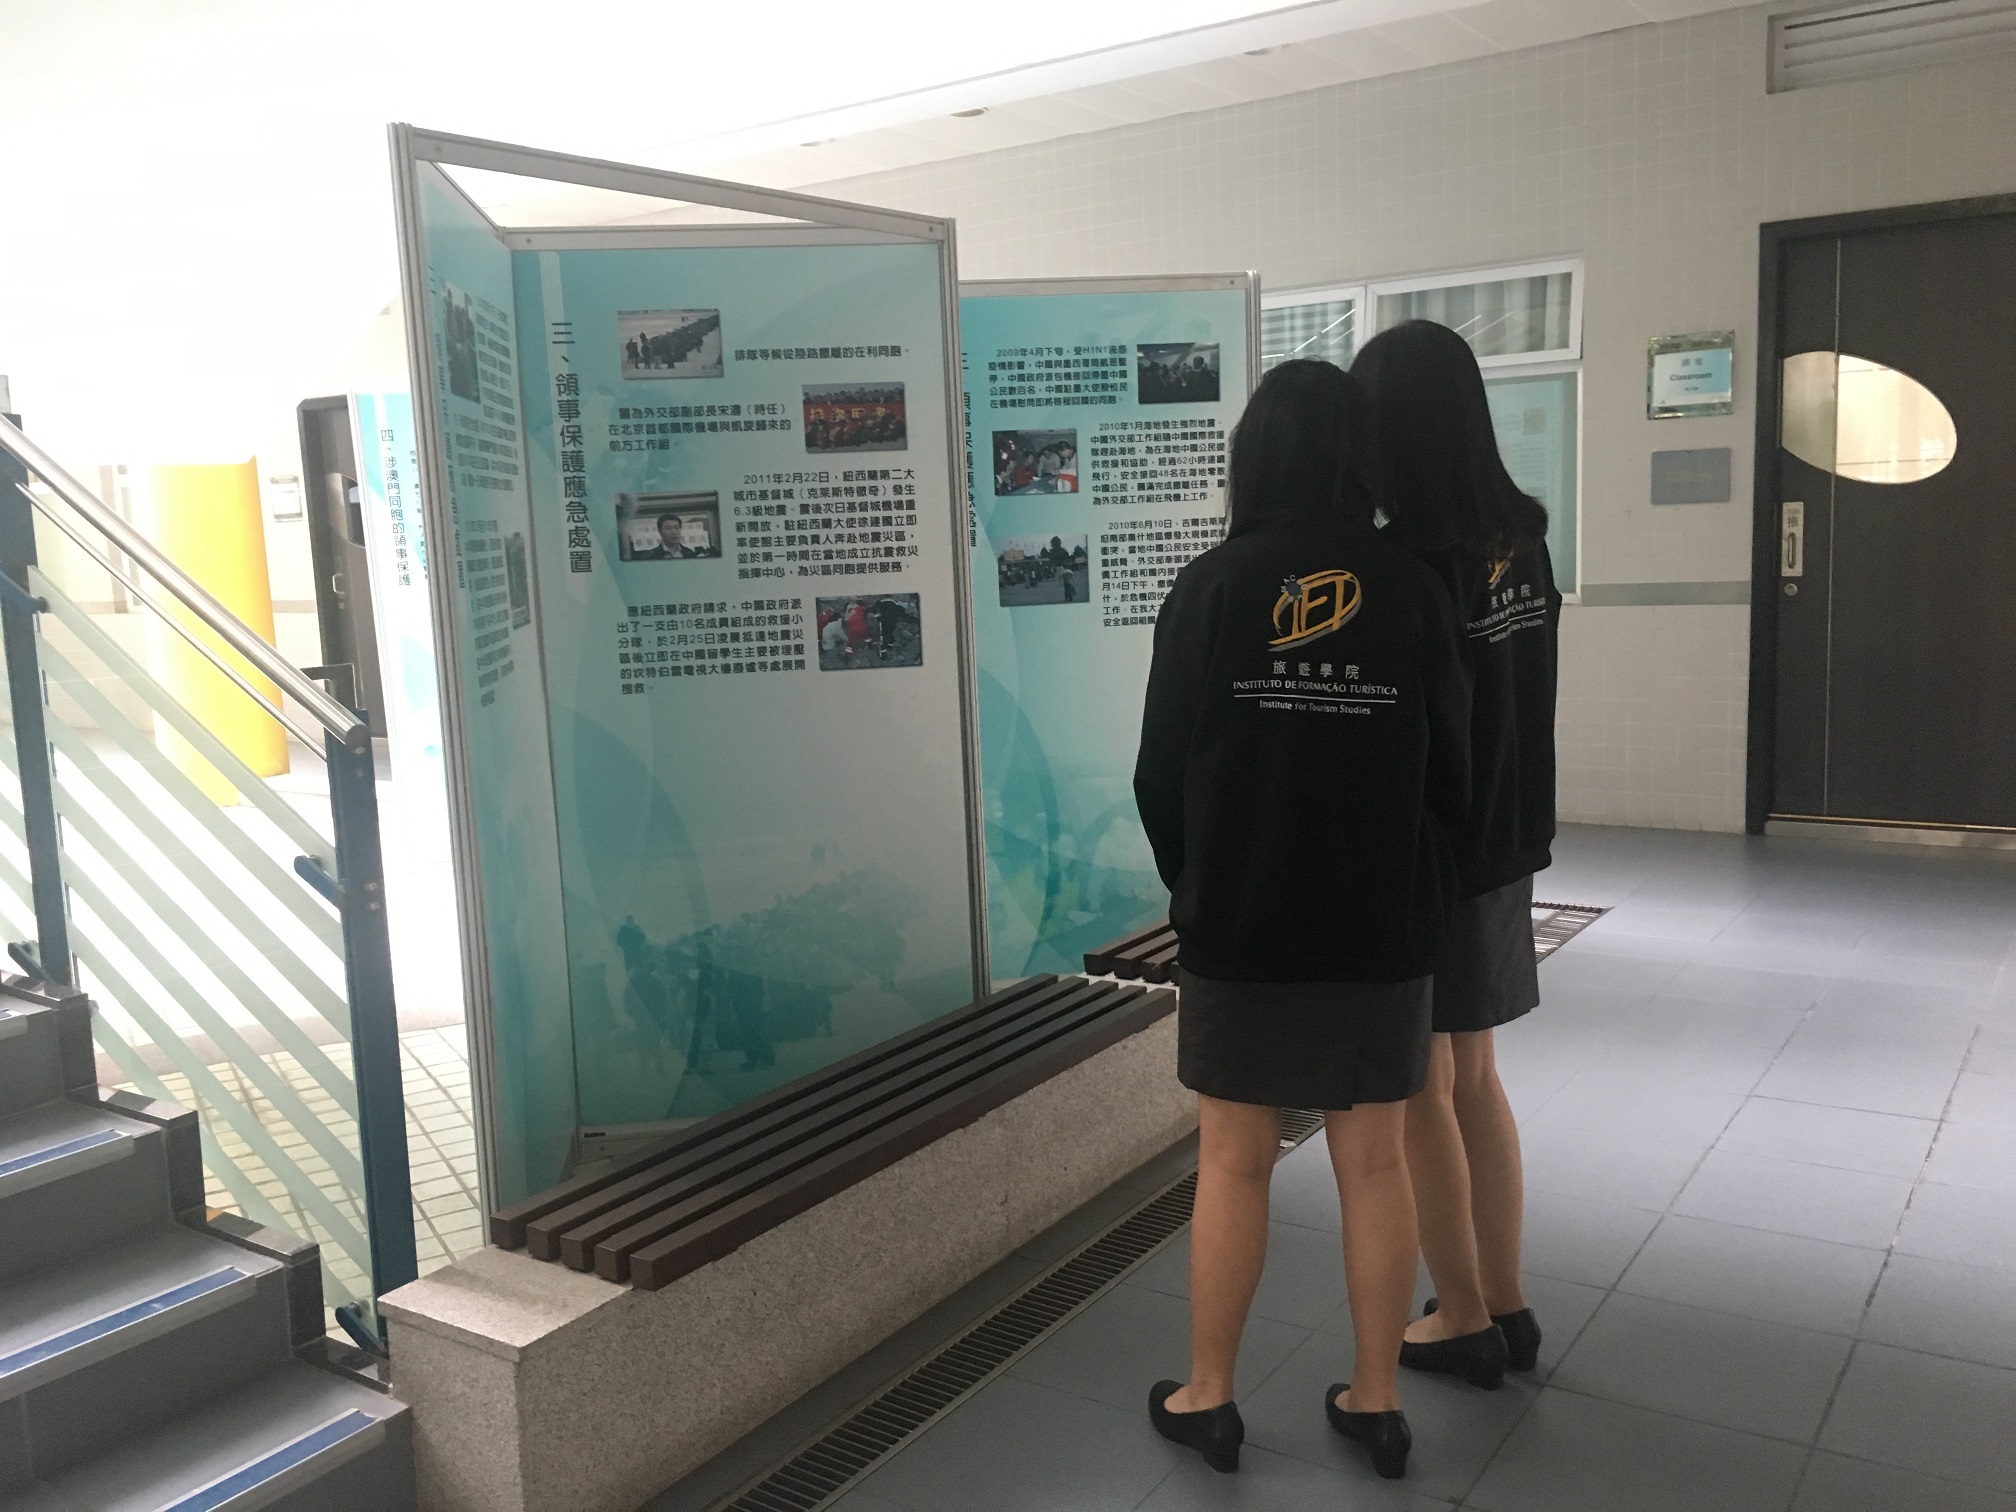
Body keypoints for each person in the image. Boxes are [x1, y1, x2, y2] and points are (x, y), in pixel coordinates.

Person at [1133, 359, 1470, 1482]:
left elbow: (1159, 772)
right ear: (1359, 461)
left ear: (1253, 455)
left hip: (1244, 923)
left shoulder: (1213, 587)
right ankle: (1377, 1401)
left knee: (1233, 1162)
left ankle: (1210, 1397)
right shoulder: (1414, 589)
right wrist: (1419, 884)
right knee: (1373, 1163)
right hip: (1380, 925)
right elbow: (1453, 770)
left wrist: (1199, 886)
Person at [1351, 320, 1562, 1390]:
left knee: (1426, 1086)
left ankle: (1463, 1315)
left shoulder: (1410, 564)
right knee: (1476, 1076)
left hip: (1435, 850)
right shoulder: (1520, 538)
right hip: (1509, 834)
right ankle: (1506, 1302)